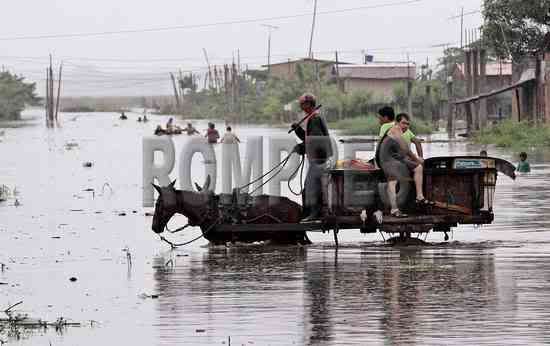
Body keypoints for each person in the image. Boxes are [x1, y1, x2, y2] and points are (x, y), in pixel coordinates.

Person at [376, 122, 432, 217]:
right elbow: (405, 149)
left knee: (418, 168)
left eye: (408, 124)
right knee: (393, 180)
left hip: (396, 159)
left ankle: (419, 197)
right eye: (403, 123)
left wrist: (415, 160)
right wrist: (417, 159)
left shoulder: (400, 132)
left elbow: (403, 151)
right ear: (397, 123)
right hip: (386, 160)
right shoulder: (395, 129)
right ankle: (394, 209)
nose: (406, 126)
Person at [291, 93, 333, 222]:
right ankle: (314, 212)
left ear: (309, 104)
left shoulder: (314, 118)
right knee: (311, 185)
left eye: (303, 104)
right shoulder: (313, 117)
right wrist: (298, 130)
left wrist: (301, 148)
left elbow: (315, 141)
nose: (302, 106)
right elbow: (309, 138)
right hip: (318, 158)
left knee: (311, 185)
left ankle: (314, 214)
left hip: (318, 159)